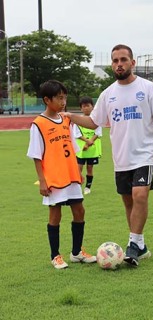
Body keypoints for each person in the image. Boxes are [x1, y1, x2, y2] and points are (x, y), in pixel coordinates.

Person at [64, 44, 153, 266]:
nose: (119, 64)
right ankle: (140, 246)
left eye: (123, 59)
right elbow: (94, 122)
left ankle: (133, 244)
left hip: (144, 155)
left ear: (133, 63)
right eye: (115, 61)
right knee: (128, 201)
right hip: (121, 159)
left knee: (140, 194)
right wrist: (70, 116)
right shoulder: (108, 94)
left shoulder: (148, 88)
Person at [27, 80, 96, 269]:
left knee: (79, 211)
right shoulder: (38, 124)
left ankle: (76, 252)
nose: (63, 101)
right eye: (59, 98)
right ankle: (55, 255)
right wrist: (42, 181)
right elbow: (36, 155)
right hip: (54, 178)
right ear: (47, 100)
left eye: (65, 97)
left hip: (71, 174)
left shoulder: (67, 120)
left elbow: (73, 149)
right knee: (55, 215)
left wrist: (78, 172)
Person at [73, 96, 102, 195]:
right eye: (83, 106)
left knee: (90, 168)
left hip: (92, 150)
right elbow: (76, 134)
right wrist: (86, 141)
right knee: (78, 168)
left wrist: (90, 142)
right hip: (81, 150)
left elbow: (98, 133)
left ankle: (88, 187)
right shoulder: (78, 120)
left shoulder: (96, 120)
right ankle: (77, 187)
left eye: (88, 106)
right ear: (81, 108)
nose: (86, 108)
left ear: (92, 107)